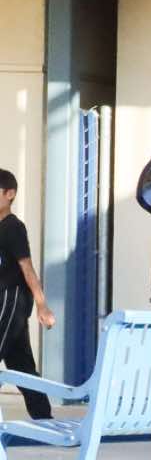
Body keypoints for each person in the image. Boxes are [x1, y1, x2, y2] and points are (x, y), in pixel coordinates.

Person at [0, 169, 58, 421]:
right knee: (21, 365)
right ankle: (44, 420)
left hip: (11, 300)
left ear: (10, 194)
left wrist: (42, 305)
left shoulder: (13, 227)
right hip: (5, 302)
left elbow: (27, 268)